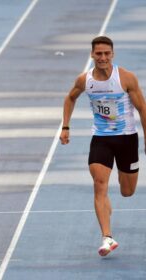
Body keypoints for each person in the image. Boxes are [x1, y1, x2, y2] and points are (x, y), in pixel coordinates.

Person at [60, 36, 146, 256]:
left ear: (113, 54)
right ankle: (107, 237)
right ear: (92, 55)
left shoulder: (125, 78)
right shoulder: (84, 80)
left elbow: (143, 109)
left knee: (127, 191)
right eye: (98, 53)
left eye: (107, 53)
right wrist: (66, 127)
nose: (103, 57)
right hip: (101, 138)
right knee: (99, 184)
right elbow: (70, 98)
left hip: (127, 139)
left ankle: (108, 208)